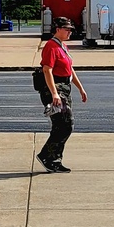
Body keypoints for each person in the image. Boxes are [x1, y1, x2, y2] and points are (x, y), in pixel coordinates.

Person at [36, 17, 88, 173]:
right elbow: (47, 70)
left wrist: (80, 88)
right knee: (65, 124)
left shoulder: (62, 46)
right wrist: (54, 94)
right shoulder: (51, 46)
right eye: (67, 29)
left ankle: (55, 160)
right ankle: (47, 156)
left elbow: (70, 70)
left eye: (71, 29)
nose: (70, 32)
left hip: (65, 87)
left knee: (63, 125)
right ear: (57, 29)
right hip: (55, 89)